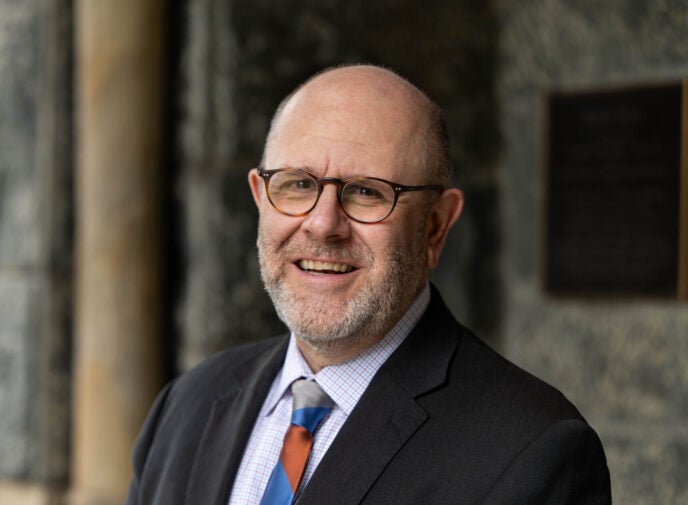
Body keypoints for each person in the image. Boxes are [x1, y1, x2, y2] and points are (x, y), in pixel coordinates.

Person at [125, 65, 611, 504]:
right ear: (260, 197)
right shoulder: (187, 405)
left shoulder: (529, 452)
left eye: (367, 192)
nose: (322, 225)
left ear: (436, 226)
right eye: (297, 184)